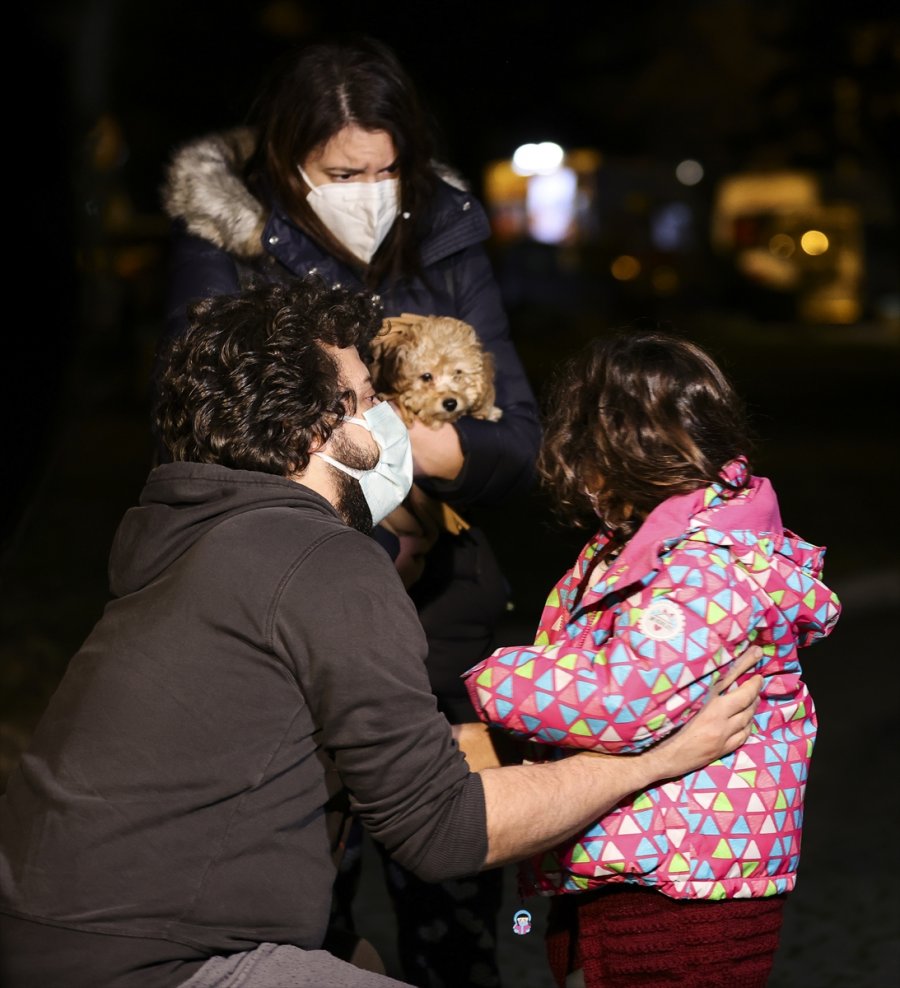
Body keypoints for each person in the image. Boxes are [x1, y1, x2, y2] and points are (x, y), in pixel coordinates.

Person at [0, 281, 763, 988]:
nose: (392, 420)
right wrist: (653, 762)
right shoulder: (320, 561)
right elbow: (445, 829)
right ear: (310, 428)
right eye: (369, 398)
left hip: (51, 937)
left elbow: (339, 764)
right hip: (164, 962)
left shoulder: (194, 543)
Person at [158, 35, 541, 986]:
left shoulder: (443, 230)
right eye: (342, 172)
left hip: (437, 625)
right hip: (282, 618)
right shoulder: (226, 246)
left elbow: (516, 440)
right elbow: (201, 426)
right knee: (296, 908)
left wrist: (398, 460)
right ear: (290, 161)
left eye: (385, 168)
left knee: (457, 914)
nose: (368, 188)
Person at [463, 329, 842, 988]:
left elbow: (624, 701)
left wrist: (494, 679)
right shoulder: (643, 547)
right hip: (633, 862)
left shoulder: (706, 570)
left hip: (683, 882)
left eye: (584, 457)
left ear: (621, 454)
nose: (580, 481)